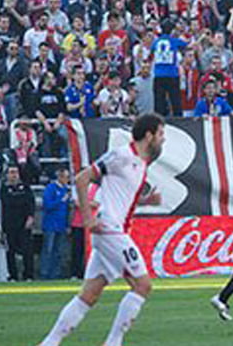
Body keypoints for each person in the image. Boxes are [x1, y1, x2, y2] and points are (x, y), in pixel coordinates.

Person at [38, 113, 167, 346]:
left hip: (112, 229)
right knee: (143, 285)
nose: (163, 139)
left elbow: (121, 198)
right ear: (148, 135)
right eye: (160, 134)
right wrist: (88, 218)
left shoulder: (140, 163)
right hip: (109, 228)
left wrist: (147, 201)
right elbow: (81, 178)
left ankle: (49, 343)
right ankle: (113, 343)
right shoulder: (121, 155)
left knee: (89, 294)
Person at [0, 165, 36, 281]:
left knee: (27, 250)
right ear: (7, 175)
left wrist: (30, 216)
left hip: (24, 223)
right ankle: (13, 276)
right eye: (11, 172)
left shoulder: (25, 188)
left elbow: (30, 202)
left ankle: (28, 275)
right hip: (10, 223)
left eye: (15, 172)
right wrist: (20, 200)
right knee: (10, 251)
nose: (13, 175)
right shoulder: (4, 188)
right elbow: (8, 202)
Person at [40, 168, 72, 279]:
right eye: (66, 177)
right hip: (50, 224)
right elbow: (47, 205)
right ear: (60, 177)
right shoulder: (51, 188)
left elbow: (67, 210)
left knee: (58, 251)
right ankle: (45, 274)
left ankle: (56, 274)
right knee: (48, 250)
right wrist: (60, 200)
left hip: (61, 225)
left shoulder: (65, 190)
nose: (67, 180)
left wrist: (67, 225)